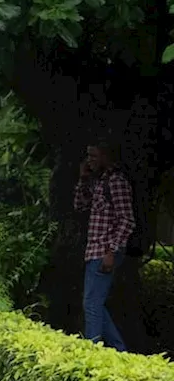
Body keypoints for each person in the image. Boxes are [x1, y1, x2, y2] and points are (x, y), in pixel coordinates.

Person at [73, 142, 135, 352]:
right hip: (94, 250)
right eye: (87, 156)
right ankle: (120, 351)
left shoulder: (116, 182)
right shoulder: (99, 181)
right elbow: (80, 205)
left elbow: (127, 220)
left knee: (91, 304)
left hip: (104, 251)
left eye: (93, 156)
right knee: (94, 304)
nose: (89, 160)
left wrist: (112, 251)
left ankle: (92, 352)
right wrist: (83, 178)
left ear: (106, 156)